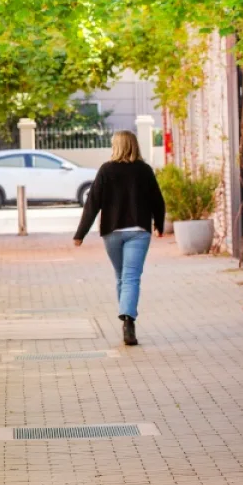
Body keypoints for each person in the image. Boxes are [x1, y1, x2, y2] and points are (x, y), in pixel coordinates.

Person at [73, 130, 165, 346]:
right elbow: (157, 200)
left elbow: (92, 203)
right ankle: (128, 321)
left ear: (116, 146)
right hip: (139, 231)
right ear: (135, 145)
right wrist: (159, 225)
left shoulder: (106, 170)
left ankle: (126, 318)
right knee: (131, 277)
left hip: (112, 232)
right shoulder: (144, 170)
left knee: (122, 276)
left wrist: (80, 234)